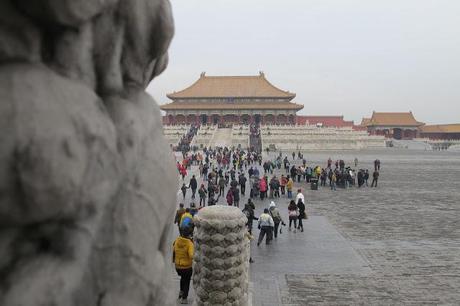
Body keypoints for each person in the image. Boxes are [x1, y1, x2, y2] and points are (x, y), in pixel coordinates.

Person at [172, 232, 194, 304]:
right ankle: (184, 298)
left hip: (178, 267)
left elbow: (173, 251)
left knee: (183, 278)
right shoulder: (189, 243)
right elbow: (191, 255)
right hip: (186, 267)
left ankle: (181, 292)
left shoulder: (176, 241)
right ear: (188, 235)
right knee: (187, 281)